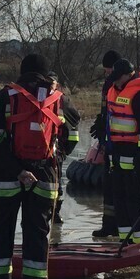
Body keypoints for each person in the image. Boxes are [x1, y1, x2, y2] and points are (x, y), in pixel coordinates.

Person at [0, 53, 79, 279]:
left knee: (0, 237)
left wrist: (17, 170)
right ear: (46, 74)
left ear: (22, 72)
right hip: (44, 178)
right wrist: (53, 159)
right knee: (37, 238)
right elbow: (73, 136)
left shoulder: (7, 96)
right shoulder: (59, 99)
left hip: (5, 179)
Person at [105, 59, 140, 244]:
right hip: (118, 157)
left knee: (137, 202)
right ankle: (125, 242)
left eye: (118, 78)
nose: (115, 82)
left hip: (137, 157)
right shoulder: (114, 90)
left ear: (129, 75)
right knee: (120, 201)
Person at [90, 49, 123, 237]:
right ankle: (109, 225)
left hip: (121, 143)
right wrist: (101, 123)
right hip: (109, 141)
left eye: (108, 70)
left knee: (119, 188)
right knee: (108, 187)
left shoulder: (123, 87)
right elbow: (106, 111)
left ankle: (121, 228)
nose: (106, 74)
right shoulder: (108, 86)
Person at [47, 71, 80, 225]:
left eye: (51, 83)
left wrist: (65, 151)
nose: (48, 86)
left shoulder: (63, 101)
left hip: (56, 153)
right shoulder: (33, 99)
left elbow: (74, 125)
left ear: (57, 85)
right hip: (36, 153)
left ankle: (55, 213)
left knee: (56, 185)